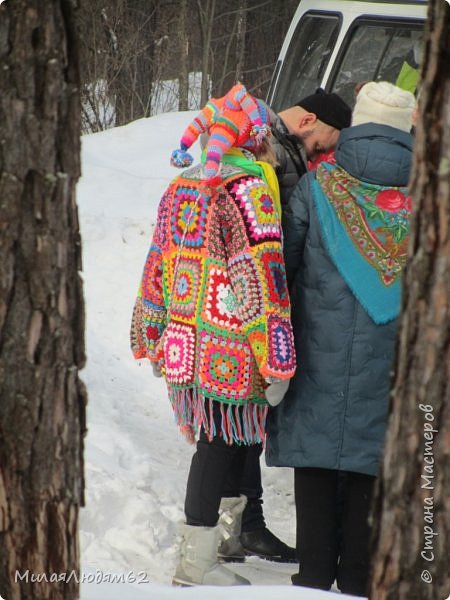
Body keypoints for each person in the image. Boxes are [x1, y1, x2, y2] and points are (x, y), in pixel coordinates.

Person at [130, 83, 296, 586]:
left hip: (185, 339)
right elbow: (262, 279)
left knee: (227, 439)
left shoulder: (181, 185)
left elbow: (156, 262)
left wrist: (150, 327)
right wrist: (277, 357)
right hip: (231, 345)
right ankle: (194, 560)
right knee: (220, 442)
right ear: (253, 140)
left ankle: (227, 537)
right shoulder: (247, 191)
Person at [266, 81, 416, 596]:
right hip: (393, 361)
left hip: (317, 355)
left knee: (316, 457)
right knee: (371, 463)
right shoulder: (430, 203)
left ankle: (311, 581)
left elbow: (281, 270)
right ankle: (355, 582)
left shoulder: (316, 187)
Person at [223, 87, 351, 564]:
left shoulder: (281, 148)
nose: (328, 150)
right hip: (251, 304)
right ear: (307, 120)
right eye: (327, 139)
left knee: (250, 421)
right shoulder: (267, 148)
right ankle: (239, 525)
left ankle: (244, 523)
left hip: (259, 303)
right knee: (239, 423)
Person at [265, 88, 352, 207]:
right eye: (317, 148)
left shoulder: (268, 140)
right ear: (306, 121)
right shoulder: (267, 147)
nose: (314, 159)